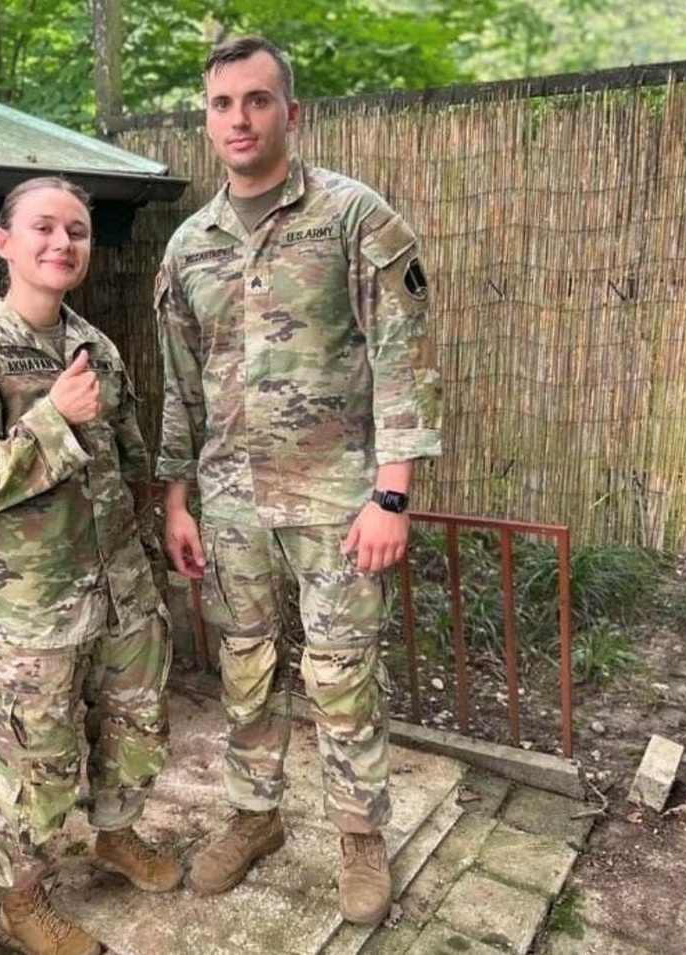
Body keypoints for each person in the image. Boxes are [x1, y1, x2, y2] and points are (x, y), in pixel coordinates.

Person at [154, 36, 443, 927]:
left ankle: (359, 832)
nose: (238, 119)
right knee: (244, 665)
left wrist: (392, 492)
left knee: (342, 671)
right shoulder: (187, 248)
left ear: (290, 111)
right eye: (221, 104)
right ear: (206, 119)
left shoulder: (355, 218)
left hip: (336, 502)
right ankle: (256, 816)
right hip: (229, 502)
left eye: (256, 100)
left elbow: (405, 357)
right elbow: (179, 383)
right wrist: (174, 498)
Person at [0, 176, 182, 955]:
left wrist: (161, 528)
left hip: (121, 588)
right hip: (32, 610)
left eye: (77, 231)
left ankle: (115, 834)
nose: (63, 243)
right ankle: (21, 901)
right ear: (4, 243)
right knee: (38, 761)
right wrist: (52, 420)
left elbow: (127, 459)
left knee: (135, 724)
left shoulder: (95, 345)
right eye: (44, 228)